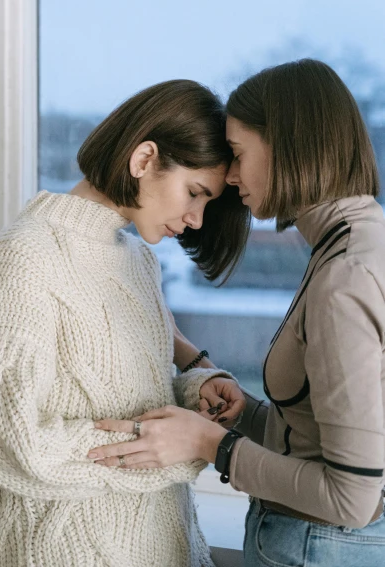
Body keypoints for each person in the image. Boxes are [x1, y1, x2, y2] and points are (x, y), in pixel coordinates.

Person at [92, 60, 385, 567]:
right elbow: (324, 434)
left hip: (316, 547)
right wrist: (243, 413)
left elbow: (352, 498)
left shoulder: (345, 276)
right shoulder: (357, 245)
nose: (229, 175)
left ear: (288, 147)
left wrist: (211, 444)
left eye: (237, 153)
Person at [0, 79, 250, 567]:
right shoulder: (28, 252)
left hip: (166, 547)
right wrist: (174, 444)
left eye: (207, 203)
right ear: (144, 159)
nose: (196, 218)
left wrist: (197, 388)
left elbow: (124, 394)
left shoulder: (135, 259)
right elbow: (4, 435)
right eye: (194, 193)